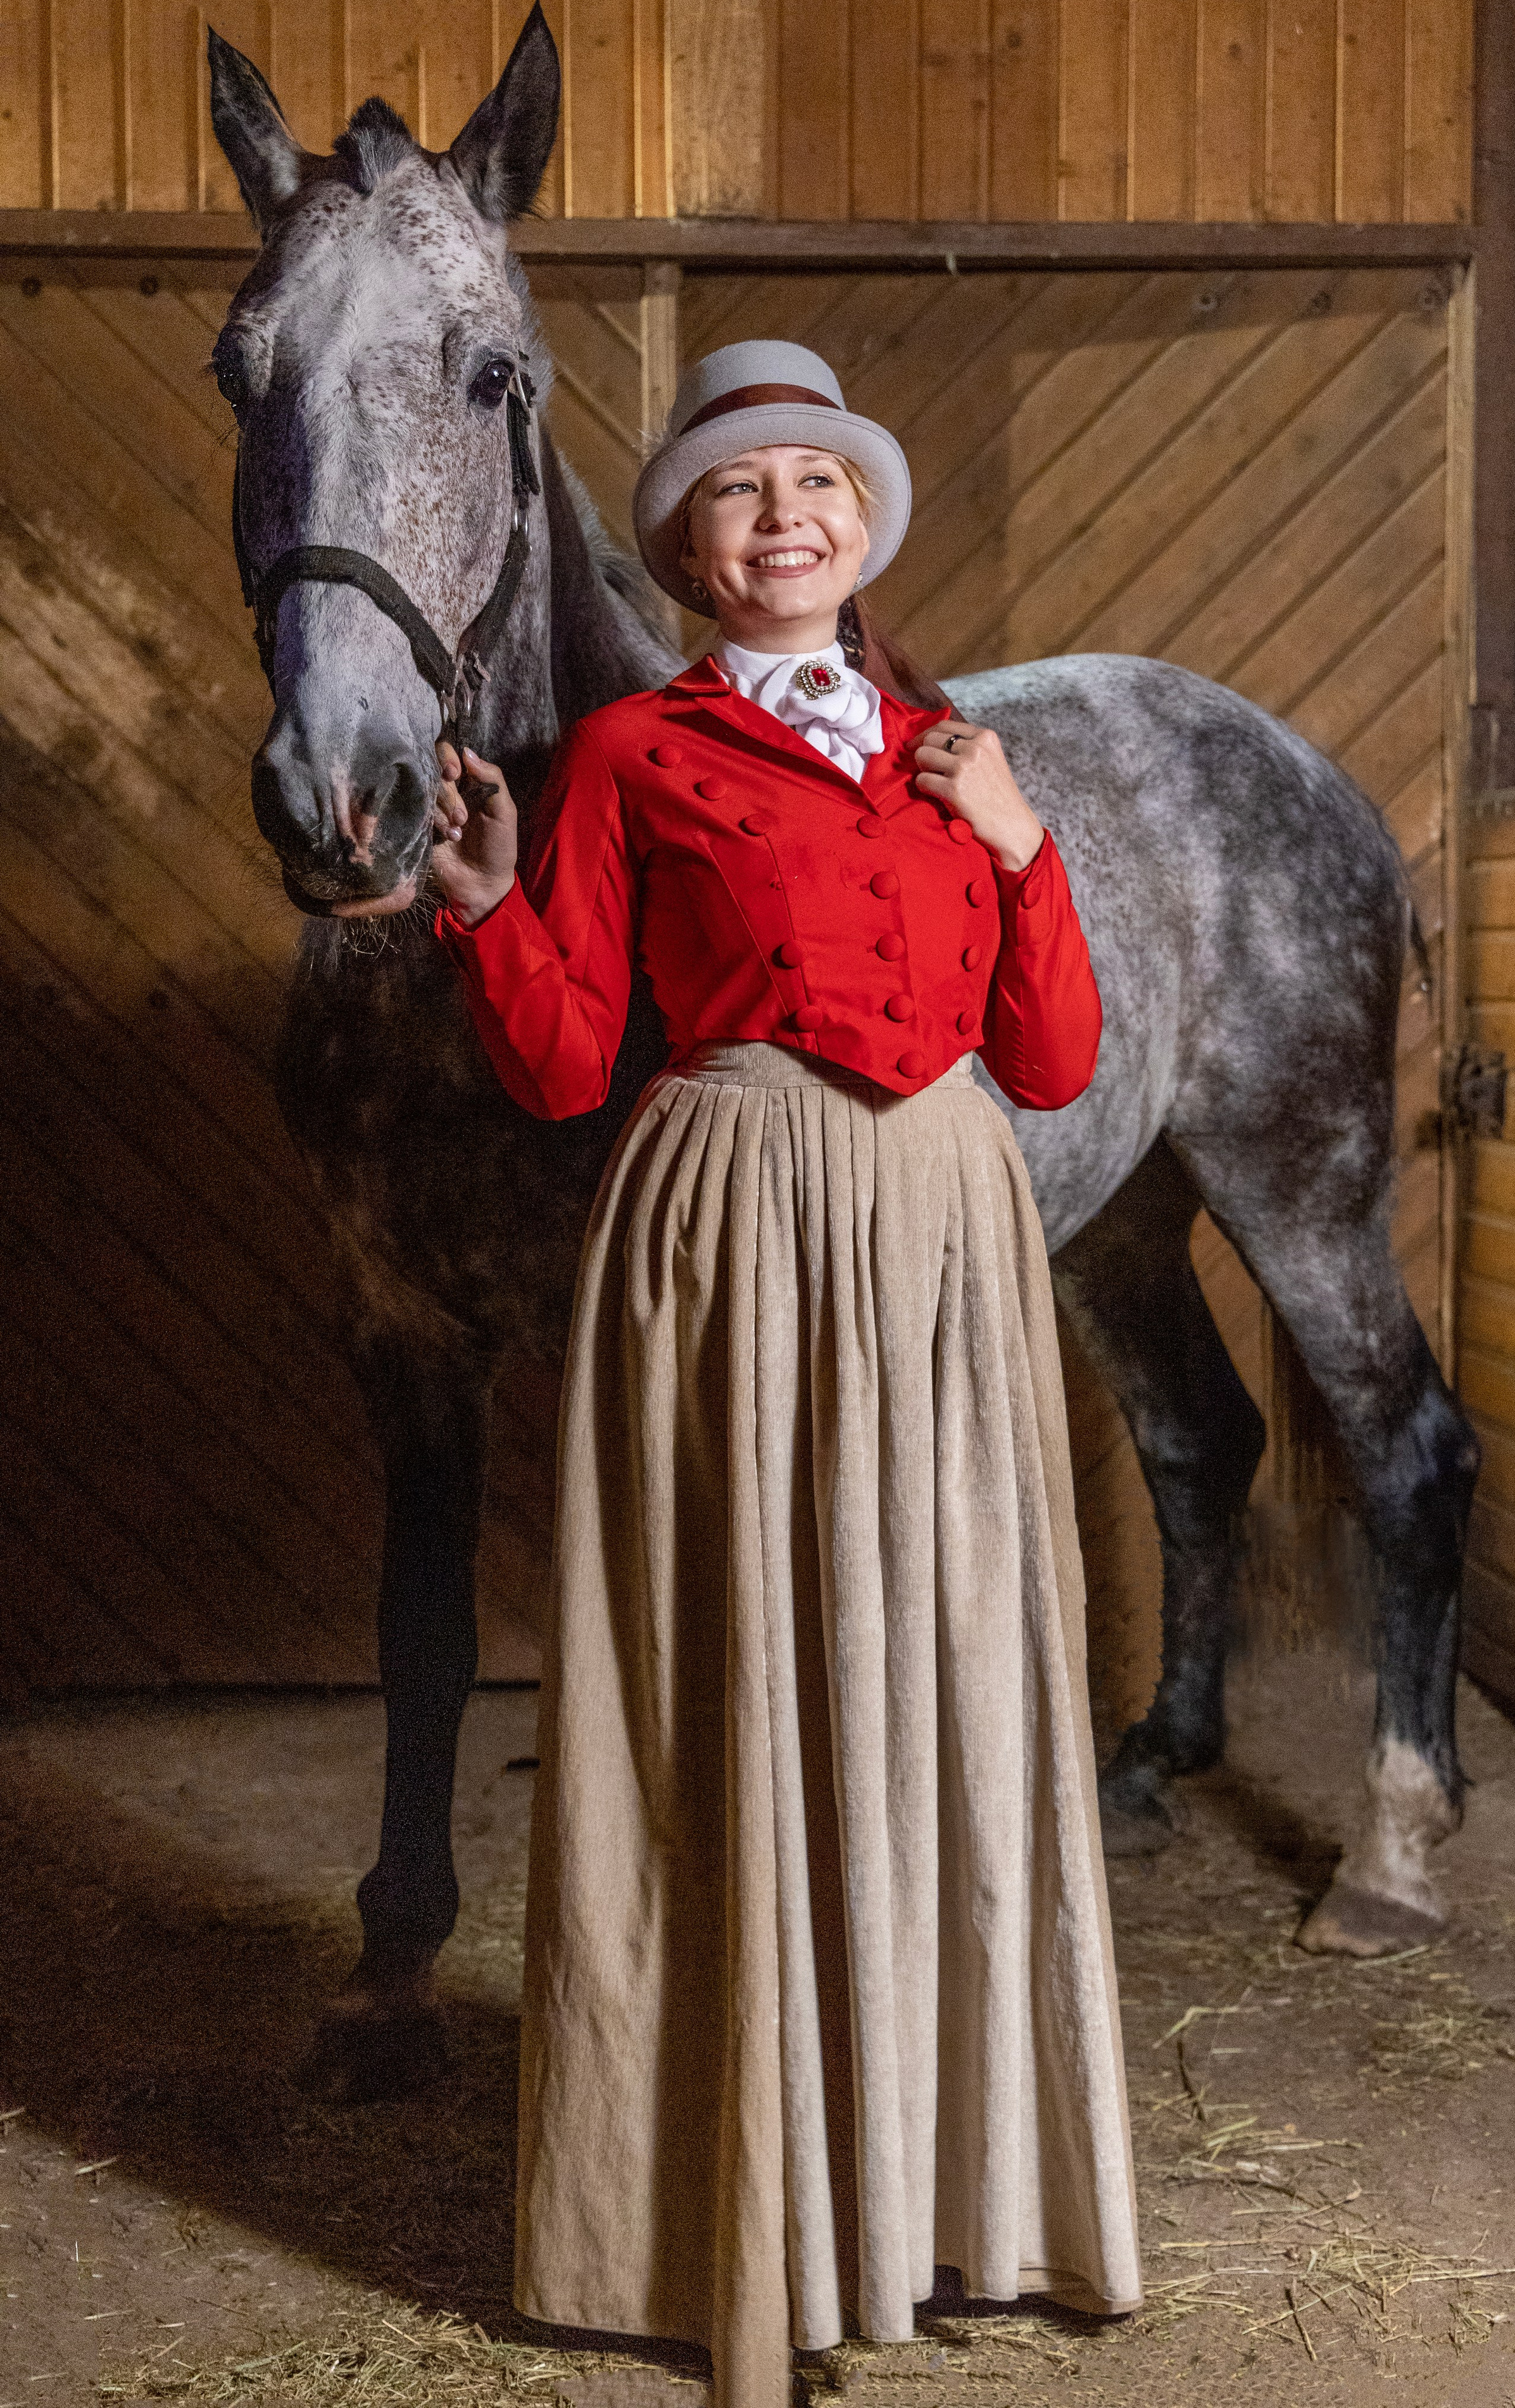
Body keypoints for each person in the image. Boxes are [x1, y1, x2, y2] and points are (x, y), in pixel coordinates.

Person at [429, 341, 1140, 2405]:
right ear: (687, 548)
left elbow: (1053, 1064)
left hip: (943, 1232)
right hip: (737, 1219)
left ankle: (947, 2194)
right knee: (749, 1669)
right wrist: (484, 909)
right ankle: (756, 2207)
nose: (784, 518)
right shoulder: (631, 754)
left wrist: (1021, 843)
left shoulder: (954, 754)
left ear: (863, 525)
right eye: (741, 493)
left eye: (816, 484)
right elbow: (565, 1060)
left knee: (952, 1670)